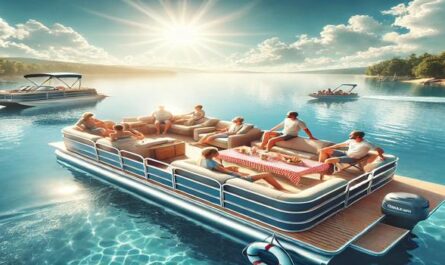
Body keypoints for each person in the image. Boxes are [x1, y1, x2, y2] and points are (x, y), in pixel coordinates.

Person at [200, 147, 286, 191]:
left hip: (226, 176)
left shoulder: (203, 161)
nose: (218, 153)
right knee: (267, 174)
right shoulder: (213, 162)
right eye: (216, 152)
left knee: (241, 171)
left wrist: (228, 168)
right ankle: (281, 189)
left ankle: (254, 179)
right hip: (236, 179)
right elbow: (225, 171)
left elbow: (219, 169)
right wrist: (241, 174)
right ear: (212, 154)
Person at [319, 130, 385, 173]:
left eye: (351, 135)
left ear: (357, 136)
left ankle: (326, 172)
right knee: (323, 150)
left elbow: (380, 150)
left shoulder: (367, 143)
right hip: (345, 153)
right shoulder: (351, 140)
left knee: (328, 160)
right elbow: (339, 145)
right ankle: (319, 167)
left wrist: (381, 156)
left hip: (352, 158)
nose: (349, 135)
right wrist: (328, 147)